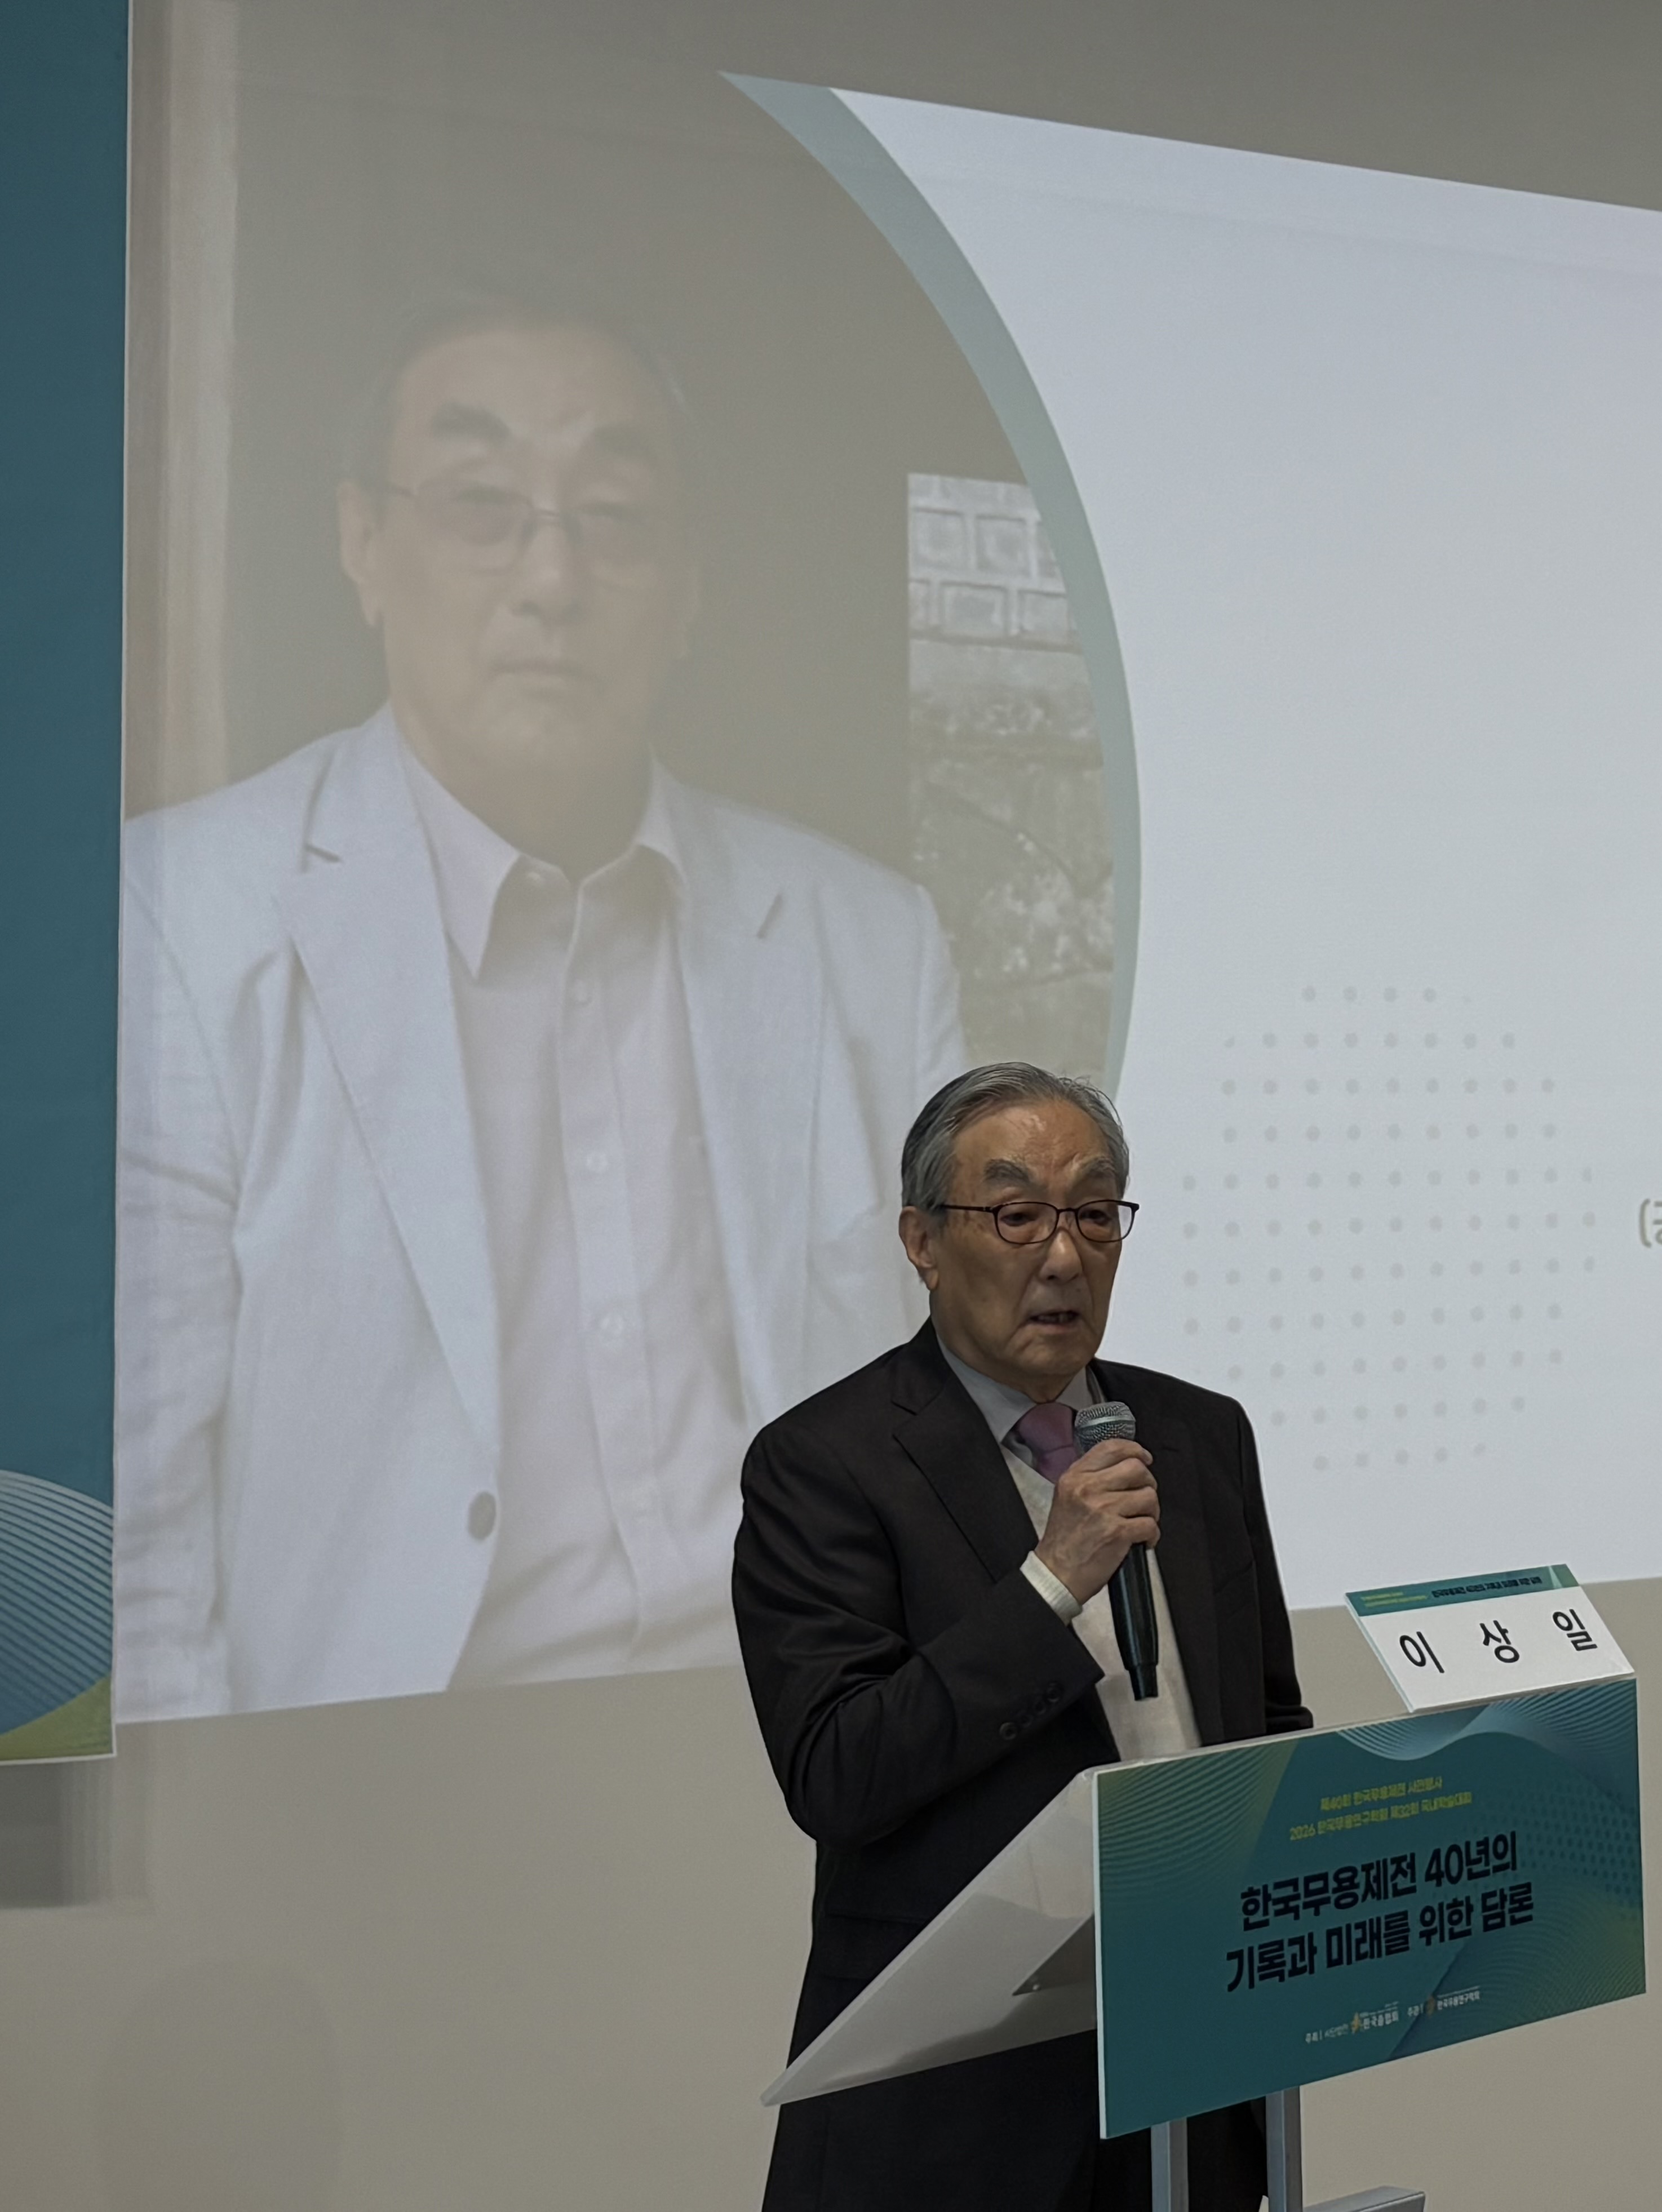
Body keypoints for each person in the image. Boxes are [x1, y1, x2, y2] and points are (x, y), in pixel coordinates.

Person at [114, 287, 967, 1717]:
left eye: (613, 516)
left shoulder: (870, 941)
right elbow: (133, 1552)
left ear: (687, 584)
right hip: (404, 1773)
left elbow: (959, 1426)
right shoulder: (178, 919)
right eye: (480, 504)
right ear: (363, 545)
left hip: (810, 1733)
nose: (552, 579)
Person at [734, 1063, 1310, 2212]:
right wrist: (1050, 1581)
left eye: (1094, 1213)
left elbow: (1265, 1716)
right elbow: (841, 1771)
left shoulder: (1199, 1432)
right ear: (922, 1240)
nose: (1063, 1255)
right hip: (954, 2122)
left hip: (1193, 2082)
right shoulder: (824, 1463)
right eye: (1015, 1215)